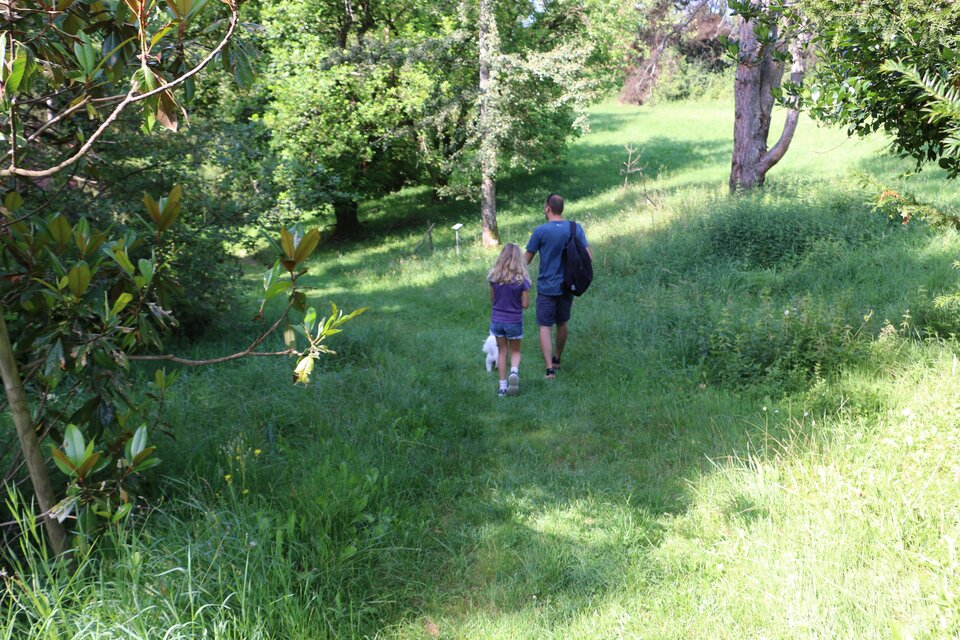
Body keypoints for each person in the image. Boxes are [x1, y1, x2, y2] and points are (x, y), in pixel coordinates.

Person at [524, 193, 592, 379]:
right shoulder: (574, 228)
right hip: (567, 286)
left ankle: (549, 369)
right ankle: (557, 358)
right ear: (561, 208)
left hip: (546, 287)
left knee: (545, 326)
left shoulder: (540, 231)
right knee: (562, 323)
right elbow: (588, 256)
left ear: (548, 208)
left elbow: (526, 260)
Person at [487, 243, 531, 397]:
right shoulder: (522, 280)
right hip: (514, 321)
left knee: (502, 352)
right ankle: (514, 371)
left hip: (497, 321)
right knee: (515, 351)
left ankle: (502, 387)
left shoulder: (493, 277)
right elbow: (525, 304)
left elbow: (492, 299)